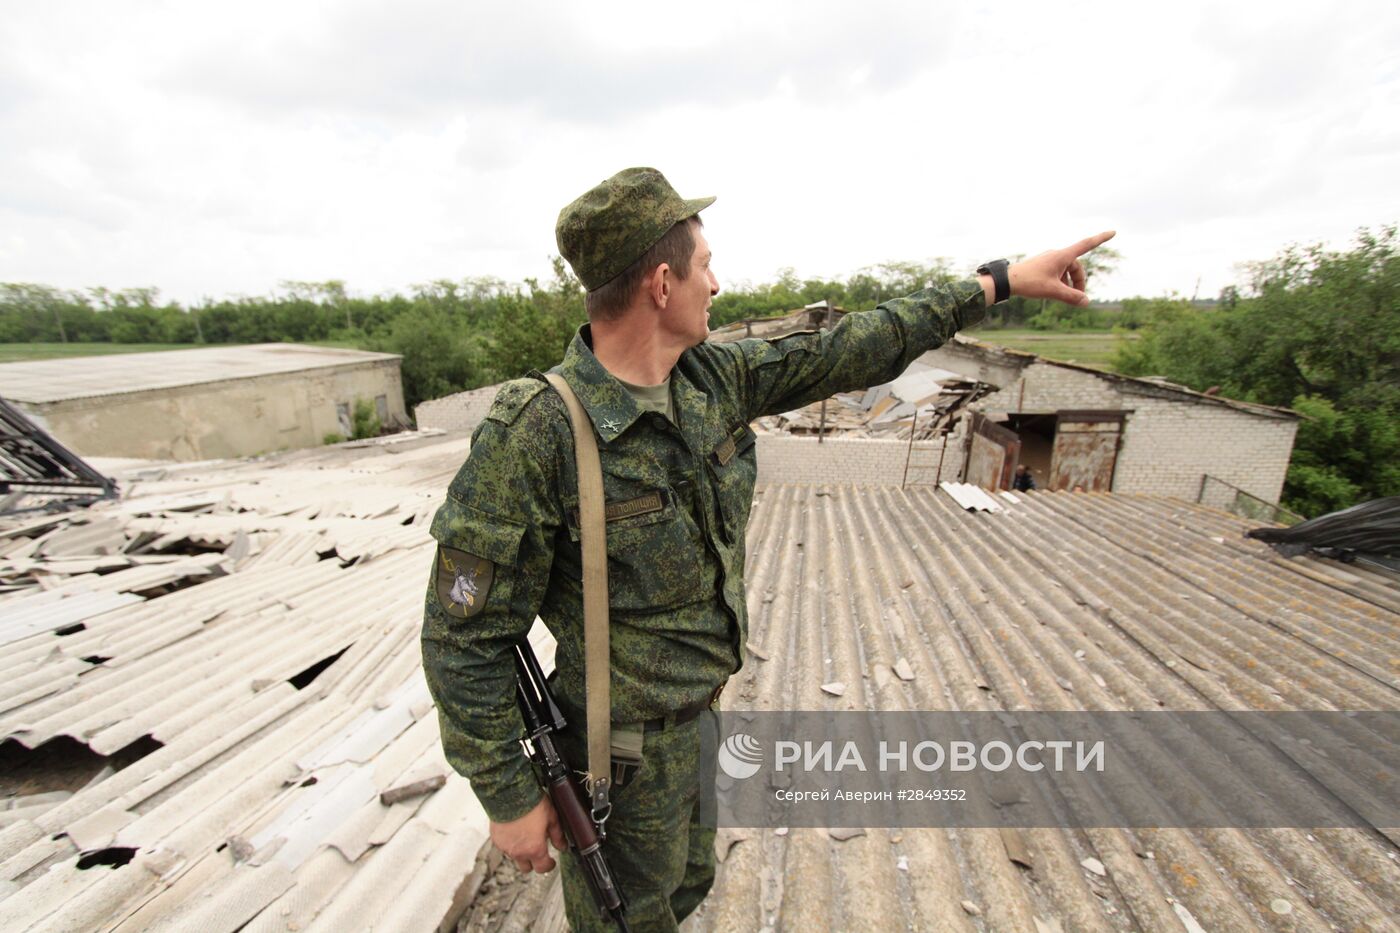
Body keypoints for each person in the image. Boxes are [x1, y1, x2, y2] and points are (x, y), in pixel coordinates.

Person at [421, 166, 1114, 931]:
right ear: (661, 282)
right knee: (627, 920)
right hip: (618, 756)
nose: (716, 283)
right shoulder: (539, 431)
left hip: (705, 719)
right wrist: (509, 793)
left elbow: (856, 345)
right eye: (706, 265)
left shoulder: (713, 380)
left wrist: (999, 282)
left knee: (688, 884)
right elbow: (464, 638)